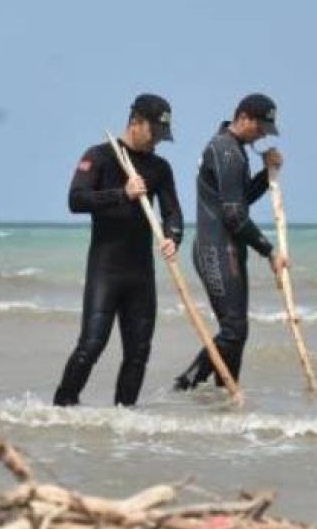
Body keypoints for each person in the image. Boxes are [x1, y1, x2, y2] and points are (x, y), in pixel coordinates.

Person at [53, 94, 183, 407]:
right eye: (155, 134)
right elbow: (76, 200)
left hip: (141, 273)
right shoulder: (100, 156)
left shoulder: (160, 168)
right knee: (91, 345)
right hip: (106, 269)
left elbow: (172, 213)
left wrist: (172, 237)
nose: (157, 143)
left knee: (139, 353)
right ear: (136, 122)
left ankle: (124, 421)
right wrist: (121, 193)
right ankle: (62, 407)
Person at [174, 94, 286, 391]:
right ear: (245, 117)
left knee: (237, 331)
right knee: (234, 330)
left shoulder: (234, 148)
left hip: (229, 250)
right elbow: (234, 216)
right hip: (216, 250)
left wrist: (266, 175)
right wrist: (269, 250)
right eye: (261, 128)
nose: (262, 134)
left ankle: (226, 394)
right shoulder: (227, 151)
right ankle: (186, 384)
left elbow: (240, 197)